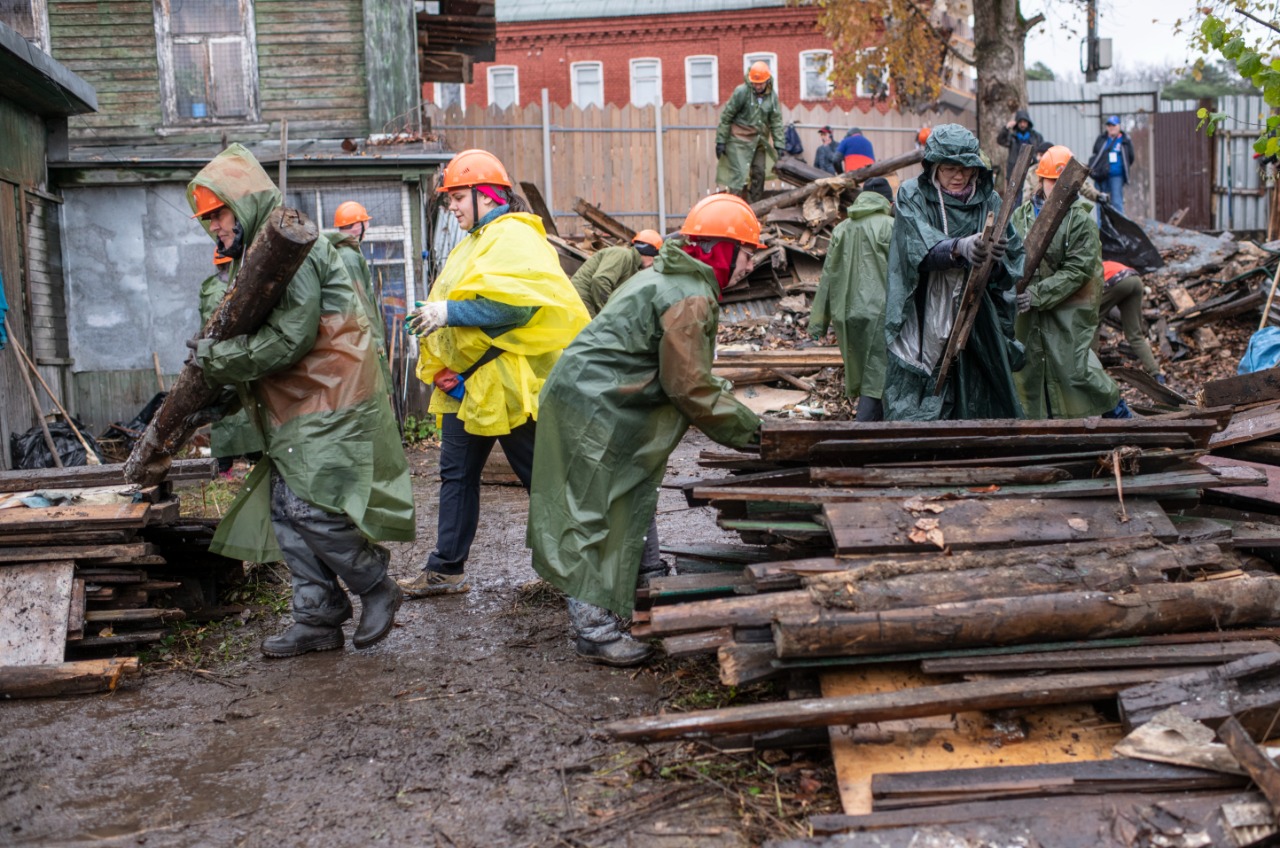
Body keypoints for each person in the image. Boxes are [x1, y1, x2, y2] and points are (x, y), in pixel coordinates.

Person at [187, 143, 414, 657]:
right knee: (286, 509)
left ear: (241, 200)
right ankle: (316, 618)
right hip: (298, 399)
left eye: (218, 213)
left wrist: (216, 359)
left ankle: (375, 583)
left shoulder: (292, 248)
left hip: (330, 393)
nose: (214, 228)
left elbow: (289, 339)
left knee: (310, 507)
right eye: (206, 219)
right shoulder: (259, 252)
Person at [528, 194, 765, 667]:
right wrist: (757, 433)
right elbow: (690, 388)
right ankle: (594, 628)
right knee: (592, 509)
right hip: (595, 403)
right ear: (720, 250)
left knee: (631, 489)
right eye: (747, 251)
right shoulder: (686, 295)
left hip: (598, 396)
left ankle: (645, 582)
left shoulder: (666, 277)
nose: (751, 264)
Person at [399, 149, 588, 598]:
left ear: (486, 195)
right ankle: (445, 569)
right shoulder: (475, 240)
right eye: (450, 200)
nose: (453, 207)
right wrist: (437, 327)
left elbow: (519, 308)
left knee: (541, 480)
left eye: (459, 197)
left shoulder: (515, 238)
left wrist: (449, 313)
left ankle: (576, 570)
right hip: (466, 388)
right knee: (456, 475)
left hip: (505, 384)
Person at [881, 124, 1026, 422]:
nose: (958, 177)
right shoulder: (913, 195)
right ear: (934, 166)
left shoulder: (990, 201)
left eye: (966, 169)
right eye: (949, 169)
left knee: (979, 380)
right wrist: (958, 247)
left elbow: (1012, 261)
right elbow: (913, 247)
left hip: (977, 310)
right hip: (924, 307)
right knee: (922, 384)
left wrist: (996, 261)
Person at [1011, 145, 1128, 420]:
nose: (1058, 188)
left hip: (1068, 311)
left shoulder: (1079, 219)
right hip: (1028, 316)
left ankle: (1122, 418)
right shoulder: (1021, 217)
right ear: (1041, 180)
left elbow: (1077, 269)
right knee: (1029, 375)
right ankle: (1046, 436)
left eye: (1063, 183)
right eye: (1053, 181)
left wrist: (1038, 293)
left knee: (1077, 370)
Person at [811, 177, 895, 421]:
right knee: (878, 377)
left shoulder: (841, 229)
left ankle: (872, 430)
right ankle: (865, 433)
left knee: (862, 373)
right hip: (881, 314)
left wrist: (818, 323)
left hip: (846, 315)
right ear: (889, 202)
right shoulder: (891, 227)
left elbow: (828, 276)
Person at [199, 251, 263, 480]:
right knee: (234, 412)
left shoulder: (215, 286)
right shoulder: (220, 290)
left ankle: (240, 464)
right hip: (230, 355)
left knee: (234, 413)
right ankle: (232, 465)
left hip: (225, 356)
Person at [328, 201, 393, 392]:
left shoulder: (342, 252)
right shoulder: (349, 257)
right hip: (358, 341)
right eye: (366, 222)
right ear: (358, 226)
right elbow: (360, 303)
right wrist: (375, 340)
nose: (368, 227)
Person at [715, 61, 785, 202]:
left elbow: (776, 121)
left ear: (767, 81)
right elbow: (727, 116)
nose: (757, 86)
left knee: (759, 173)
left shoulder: (772, 97)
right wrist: (721, 140)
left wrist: (779, 144)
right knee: (739, 175)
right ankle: (736, 208)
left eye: (760, 83)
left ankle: (755, 209)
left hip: (758, 140)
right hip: (738, 140)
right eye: (755, 83)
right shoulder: (741, 92)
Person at [570, 229, 663, 318]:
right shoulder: (622, 254)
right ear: (649, 252)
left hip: (589, 301)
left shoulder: (633, 267)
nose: (654, 264)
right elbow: (600, 280)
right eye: (656, 257)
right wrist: (611, 312)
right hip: (581, 299)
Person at [1098, 260, 1164, 382]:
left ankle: (1091, 369)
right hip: (1134, 279)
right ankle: (1156, 374)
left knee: (1091, 323)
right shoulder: (1106, 263)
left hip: (1116, 282)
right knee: (1135, 334)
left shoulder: (1089, 268)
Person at [1088, 116, 1135, 217]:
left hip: (1116, 176)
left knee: (1117, 203)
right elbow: (1096, 154)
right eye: (1109, 125)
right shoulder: (1102, 139)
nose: (1111, 127)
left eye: (1113, 125)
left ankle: (1119, 229)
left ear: (1119, 126)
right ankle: (1101, 230)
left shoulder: (1125, 140)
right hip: (1101, 176)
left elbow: (1130, 157)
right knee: (1101, 203)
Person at [996, 109, 1044, 189]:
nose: (1022, 125)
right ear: (1017, 123)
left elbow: (1042, 150)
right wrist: (1006, 127)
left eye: (1024, 122)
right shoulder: (1012, 137)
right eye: (1020, 122)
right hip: (1014, 170)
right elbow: (1000, 140)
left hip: (1031, 169)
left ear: (1028, 123)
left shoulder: (1036, 137)